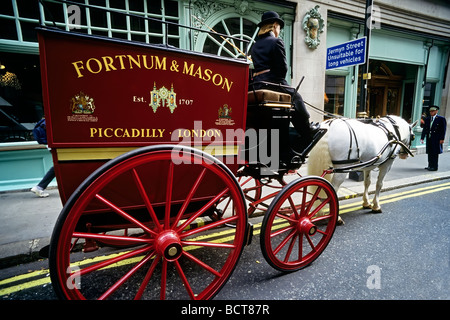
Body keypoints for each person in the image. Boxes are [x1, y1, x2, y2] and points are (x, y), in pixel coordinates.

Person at [249, 11, 317, 148]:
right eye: (279, 27)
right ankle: (306, 130)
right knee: (296, 96)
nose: (279, 30)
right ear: (274, 26)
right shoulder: (276, 41)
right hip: (271, 81)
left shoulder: (255, 45)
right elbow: (282, 69)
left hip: (257, 84)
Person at [30, 118, 55, 197]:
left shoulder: (45, 119)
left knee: (58, 166)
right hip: (53, 144)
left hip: (50, 144)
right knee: (58, 166)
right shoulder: (49, 119)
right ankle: (39, 187)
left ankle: (40, 187)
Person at [420, 105, 447, 171]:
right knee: (430, 152)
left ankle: (434, 166)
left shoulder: (441, 119)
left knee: (435, 153)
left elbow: (443, 130)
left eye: (433, 111)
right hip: (429, 138)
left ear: (436, 111)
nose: (431, 112)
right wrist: (422, 138)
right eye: (430, 111)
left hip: (436, 139)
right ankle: (430, 165)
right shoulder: (427, 119)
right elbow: (425, 129)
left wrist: (442, 139)